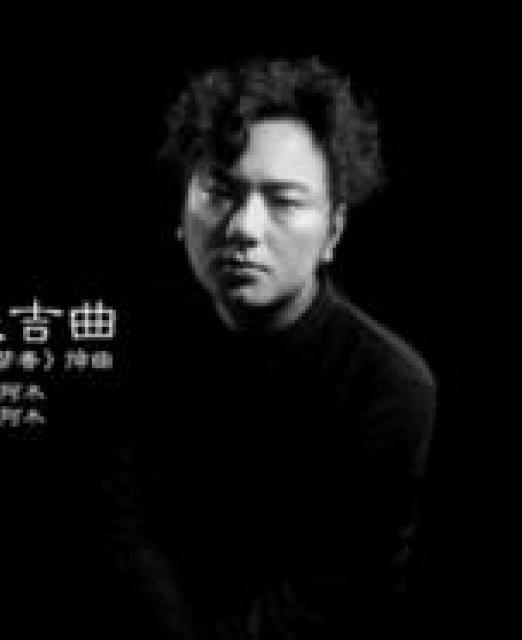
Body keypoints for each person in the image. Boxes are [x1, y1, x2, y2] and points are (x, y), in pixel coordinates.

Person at [103, 56, 437, 639]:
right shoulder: (130, 335)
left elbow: (341, 587)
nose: (244, 229)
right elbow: (117, 530)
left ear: (334, 230)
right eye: (219, 192)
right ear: (181, 211)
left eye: (283, 201)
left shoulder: (390, 386)